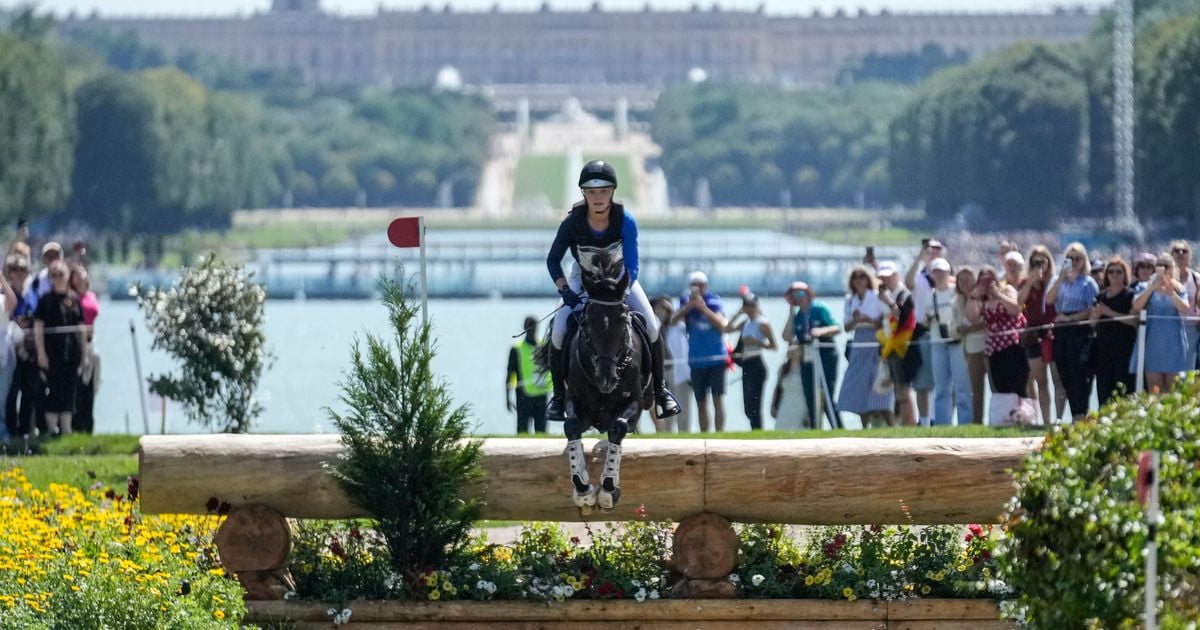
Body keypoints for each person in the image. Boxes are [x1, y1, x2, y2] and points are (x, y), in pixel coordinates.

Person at [544, 160, 680, 423]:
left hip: (621, 279)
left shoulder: (625, 220)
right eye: (592, 192)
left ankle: (661, 391)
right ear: (584, 193)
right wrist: (565, 292)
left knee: (651, 325)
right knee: (559, 330)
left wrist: (623, 290)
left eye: (603, 191)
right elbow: (553, 260)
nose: (598, 198)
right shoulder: (572, 223)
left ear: (613, 192)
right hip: (582, 280)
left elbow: (632, 264)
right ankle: (559, 397)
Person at [34, 260, 87, 436]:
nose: (57, 278)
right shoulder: (45, 300)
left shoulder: (75, 299)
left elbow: (81, 328)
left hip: (72, 353)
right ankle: (51, 429)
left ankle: (66, 429)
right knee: (54, 390)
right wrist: (41, 353)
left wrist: (84, 355)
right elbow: (39, 327)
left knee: (69, 390)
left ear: (67, 277)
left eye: (60, 274)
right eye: (53, 275)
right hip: (52, 353)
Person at [1046, 242, 1098, 421]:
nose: (1075, 262)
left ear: (1084, 261)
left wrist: (1071, 318)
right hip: (1061, 332)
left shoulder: (1088, 282)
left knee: (1080, 376)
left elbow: (1092, 307)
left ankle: (1080, 413)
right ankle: (1070, 415)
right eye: (1071, 259)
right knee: (1064, 374)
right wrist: (1061, 277)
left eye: (1078, 259)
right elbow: (1050, 300)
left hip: (1080, 331)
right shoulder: (1057, 281)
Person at [672, 271, 727, 432]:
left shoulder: (714, 301)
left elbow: (722, 325)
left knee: (717, 399)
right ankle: (705, 435)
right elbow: (673, 321)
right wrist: (688, 307)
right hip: (696, 360)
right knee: (701, 402)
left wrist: (703, 308)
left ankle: (720, 434)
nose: (698, 288)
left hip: (717, 358)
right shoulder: (685, 302)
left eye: (700, 285)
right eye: (694, 285)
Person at [837, 266, 893, 428]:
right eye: (856, 278)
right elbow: (847, 327)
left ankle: (891, 425)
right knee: (859, 383)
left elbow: (883, 320)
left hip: (876, 340)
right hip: (859, 342)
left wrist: (866, 318)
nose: (859, 281)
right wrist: (856, 320)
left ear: (868, 279)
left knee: (879, 383)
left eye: (862, 277)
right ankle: (864, 426)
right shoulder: (850, 300)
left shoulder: (876, 297)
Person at [782, 280, 841, 428]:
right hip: (807, 358)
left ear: (808, 294)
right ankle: (815, 428)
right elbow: (787, 336)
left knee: (826, 393)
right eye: (794, 294)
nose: (797, 297)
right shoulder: (797, 316)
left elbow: (837, 327)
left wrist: (821, 331)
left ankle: (837, 427)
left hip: (826, 355)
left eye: (800, 293)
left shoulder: (819, 308)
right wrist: (790, 312)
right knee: (810, 395)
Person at [1130, 254, 1190, 394]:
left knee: (1173, 389)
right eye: (1160, 266)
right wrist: (1152, 288)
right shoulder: (1144, 286)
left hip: (1174, 343)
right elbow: (1137, 306)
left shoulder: (1179, 288)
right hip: (1153, 343)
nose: (1163, 269)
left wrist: (1171, 293)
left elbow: (1185, 309)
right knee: (1155, 389)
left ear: (1172, 269)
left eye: (1167, 266)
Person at [967, 265, 1029, 399]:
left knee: (1018, 384)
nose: (987, 283)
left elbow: (1016, 309)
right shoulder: (981, 299)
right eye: (983, 280)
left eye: (989, 279)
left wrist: (998, 294)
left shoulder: (1007, 289)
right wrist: (973, 296)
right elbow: (971, 317)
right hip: (994, 347)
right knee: (1000, 385)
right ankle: (1005, 417)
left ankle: (1024, 415)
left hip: (1013, 343)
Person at [1017, 245, 1063, 424]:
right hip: (1033, 334)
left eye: (1043, 261)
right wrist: (1030, 281)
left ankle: (1053, 420)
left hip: (1052, 333)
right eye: (1035, 262)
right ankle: (1039, 420)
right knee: (1039, 380)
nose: (1039, 265)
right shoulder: (1025, 283)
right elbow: (1019, 303)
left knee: (1056, 379)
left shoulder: (1054, 282)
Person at [923, 258, 972, 425]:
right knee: (941, 388)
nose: (939, 275)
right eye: (936, 272)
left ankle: (966, 422)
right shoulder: (930, 296)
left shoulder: (956, 292)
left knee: (962, 386)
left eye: (942, 271)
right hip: (938, 341)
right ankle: (942, 423)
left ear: (949, 272)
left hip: (957, 341)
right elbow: (925, 320)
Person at [723, 291, 777, 430]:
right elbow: (727, 329)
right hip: (746, 365)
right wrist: (737, 314)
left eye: (751, 305)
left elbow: (773, 346)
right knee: (747, 406)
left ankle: (758, 431)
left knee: (755, 404)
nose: (749, 308)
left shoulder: (762, 323)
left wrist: (756, 342)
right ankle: (755, 430)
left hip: (757, 363)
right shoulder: (746, 322)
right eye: (746, 305)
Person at [903, 239, 941, 426]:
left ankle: (940, 419)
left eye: (937, 249)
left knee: (942, 382)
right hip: (923, 332)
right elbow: (908, 282)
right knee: (923, 383)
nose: (933, 252)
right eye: (930, 250)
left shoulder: (948, 277)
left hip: (943, 333)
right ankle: (925, 421)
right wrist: (920, 256)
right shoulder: (920, 277)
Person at [1090, 257, 1136, 406]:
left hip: (1124, 350)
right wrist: (1096, 315)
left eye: (1119, 272)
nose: (1115, 275)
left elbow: (1134, 321)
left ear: (1125, 274)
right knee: (1104, 390)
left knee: (1123, 389)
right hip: (1103, 350)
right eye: (1111, 272)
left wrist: (1110, 313)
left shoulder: (1130, 295)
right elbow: (1091, 324)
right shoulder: (1100, 296)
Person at [876, 262, 917, 426]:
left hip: (902, 344)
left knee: (903, 388)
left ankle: (910, 422)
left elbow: (900, 315)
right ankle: (904, 422)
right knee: (898, 388)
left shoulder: (903, 294)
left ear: (896, 275)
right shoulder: (887, 293)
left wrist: (887, 300)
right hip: (889, 343)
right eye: (883, 277)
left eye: (889, 276)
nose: (886, 279)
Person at [4, 255, 39, 438]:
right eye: (14, 270)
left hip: (31, 352)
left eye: (22, 270)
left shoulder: (32, 293)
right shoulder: (6, 295)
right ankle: (11, 432)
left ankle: (25, 433)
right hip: (10, 352)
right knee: (11, 394)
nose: (18, 274)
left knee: (29, 393)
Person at [952, 266, 987, 424]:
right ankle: (977, 421)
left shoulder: (984, 296)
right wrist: (964, 329)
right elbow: (953, 328)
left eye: (968, 279)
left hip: (989, 345)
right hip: (970, 349)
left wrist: (972, 328)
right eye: (961, 280)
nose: (965, 283)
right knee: (976, 389)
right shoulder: (957, 302)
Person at [506, 315, 551, 434]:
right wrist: (507, 397)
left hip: (541, 393)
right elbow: (510, 373)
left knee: (541, 431)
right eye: (529, 327)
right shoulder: (516, 349)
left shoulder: (543, 346)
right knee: (522, 430)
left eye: (534, 327)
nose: (532, 329)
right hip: (523, 394)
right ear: (524, 328)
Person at [652, 296, 691, 432]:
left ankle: (684, 432)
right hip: (661, 371)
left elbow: (675, 317)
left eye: (664, 308)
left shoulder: (677, 326)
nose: (661, 311)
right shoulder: (653, 326)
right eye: (658, 308)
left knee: (682, 404)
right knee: (666, 404)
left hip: (677, 370)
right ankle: (668, 434)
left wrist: (669, 307)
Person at [69, 264, 100, 434]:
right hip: (76, 346)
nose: (81, 277)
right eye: (77, 275)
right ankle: (76, 426)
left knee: (91, 385)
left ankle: (88, 426)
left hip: (91, 343)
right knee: (78, 387)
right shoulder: (71, 298)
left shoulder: (91, 296)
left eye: (82, 274)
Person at [1168, 240, 1200, 370]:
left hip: (1191, 328)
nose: (1180, 253)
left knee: (1188, 367)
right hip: (1168, 327)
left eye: (1184, 251)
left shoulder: (1196, 278)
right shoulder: (1165, 279)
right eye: (1177, 250)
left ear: (1189, 256)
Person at [770, 344, 809, 430]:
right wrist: (773, 406)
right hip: (785, 404)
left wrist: (809, 412)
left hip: (801, 404)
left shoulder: (806, 369)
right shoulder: (783, 369)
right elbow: (777, 389)